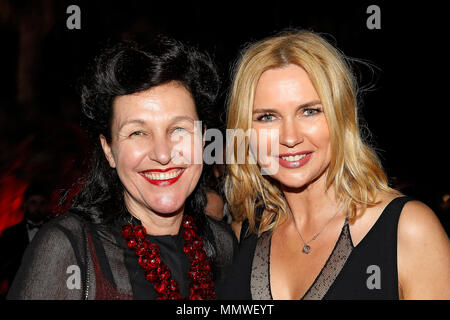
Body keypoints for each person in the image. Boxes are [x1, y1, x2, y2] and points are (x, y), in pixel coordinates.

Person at [223, 29, 450, 299]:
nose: (290, 138)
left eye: (310, 111)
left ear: (340, 117)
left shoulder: (408, 230)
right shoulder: (245, 232)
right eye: (268, 117)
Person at [7, 37, 236, 300]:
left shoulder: (223, 245)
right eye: (138, 132)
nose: (162, 154)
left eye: (179, 129)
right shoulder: (69, 249)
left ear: (204, 138)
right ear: (109, 150)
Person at [0, 181, 51, 298]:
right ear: (25, 204)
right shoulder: (10, 234)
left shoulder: (54, 232)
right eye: (33, 202)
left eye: (42, 203)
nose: (38, 207)